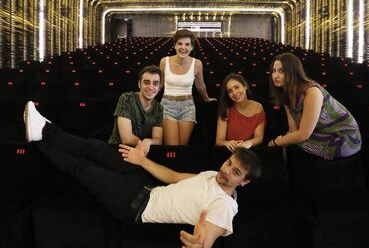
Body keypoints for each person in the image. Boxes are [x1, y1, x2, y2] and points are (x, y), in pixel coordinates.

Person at [23, 101, 262, 248]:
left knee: (84, 169)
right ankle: (46, 129)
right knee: (96, 148)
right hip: (144, 186)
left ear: (245, 181)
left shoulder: (225, 207)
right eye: (229, 162)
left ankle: (41, 138)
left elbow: (207, 238)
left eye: (235, 172)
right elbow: (173, 176)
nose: (226, 170)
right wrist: (141, 160)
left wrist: (200, 243)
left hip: (133, 206)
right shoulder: (212, 175)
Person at [267, 52, 362, 159]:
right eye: (273, 71)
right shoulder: (286, 94)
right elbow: (293, 130)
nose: (275, 75)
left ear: (293, 72)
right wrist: (284, 139)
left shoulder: (312, 92)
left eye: (282, 71)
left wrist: (276, 142)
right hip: (320, 134)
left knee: (296, 142)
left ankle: (327, 151)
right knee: (291, 141)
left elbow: (303, 135)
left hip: (345, 138)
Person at [159, 29, 216, 146]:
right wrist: (146, 98)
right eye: (179, 43)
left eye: (187, 44)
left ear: (191, 47)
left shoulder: (197, 63)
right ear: (174, 45)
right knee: (173, 147)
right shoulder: (164, 61)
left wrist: (206, 98)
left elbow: (200, 85)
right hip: (167, 105)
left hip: (188, 106)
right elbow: (160, 84)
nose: (183, 47)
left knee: (182, 147)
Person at [107, 65, 163, 154]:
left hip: (142, 152)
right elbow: (126, 138)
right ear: (139, 84)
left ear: (159, 87)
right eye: (146, 82)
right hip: (118, 149)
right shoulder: (126, 98)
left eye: (155, 83)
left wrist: (148, 142)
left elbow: (158, 140)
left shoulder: (159, 108)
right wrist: (144, 144)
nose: (151, 87)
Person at [216, 73, 266, 152]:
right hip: (230, 152)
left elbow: (259, 138)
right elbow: (219, 141)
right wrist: (227, 143)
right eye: (230, 91)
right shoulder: (226, 110)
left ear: (245, 86)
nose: (235, 93)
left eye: (237, 87)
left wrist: (247, 143)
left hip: (249, 152)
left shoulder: (258, 108)